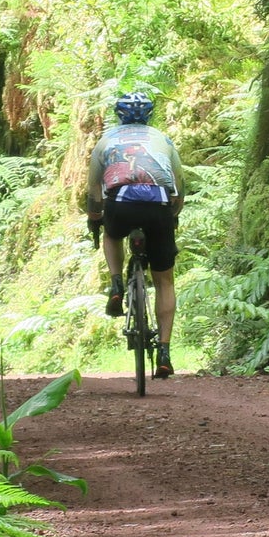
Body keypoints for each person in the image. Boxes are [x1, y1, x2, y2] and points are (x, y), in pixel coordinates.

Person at [85, 92, 184, 378]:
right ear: (150, 115)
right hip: (159, 205)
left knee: (111, 234)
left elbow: (94, 190)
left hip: (120, 205)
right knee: (164, 281)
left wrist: (95, 219)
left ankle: (116, 285)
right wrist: (173, 215)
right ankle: (164, 352)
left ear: (119, 115)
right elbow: (178, 184)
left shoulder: (106, 141)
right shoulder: (163, 140)